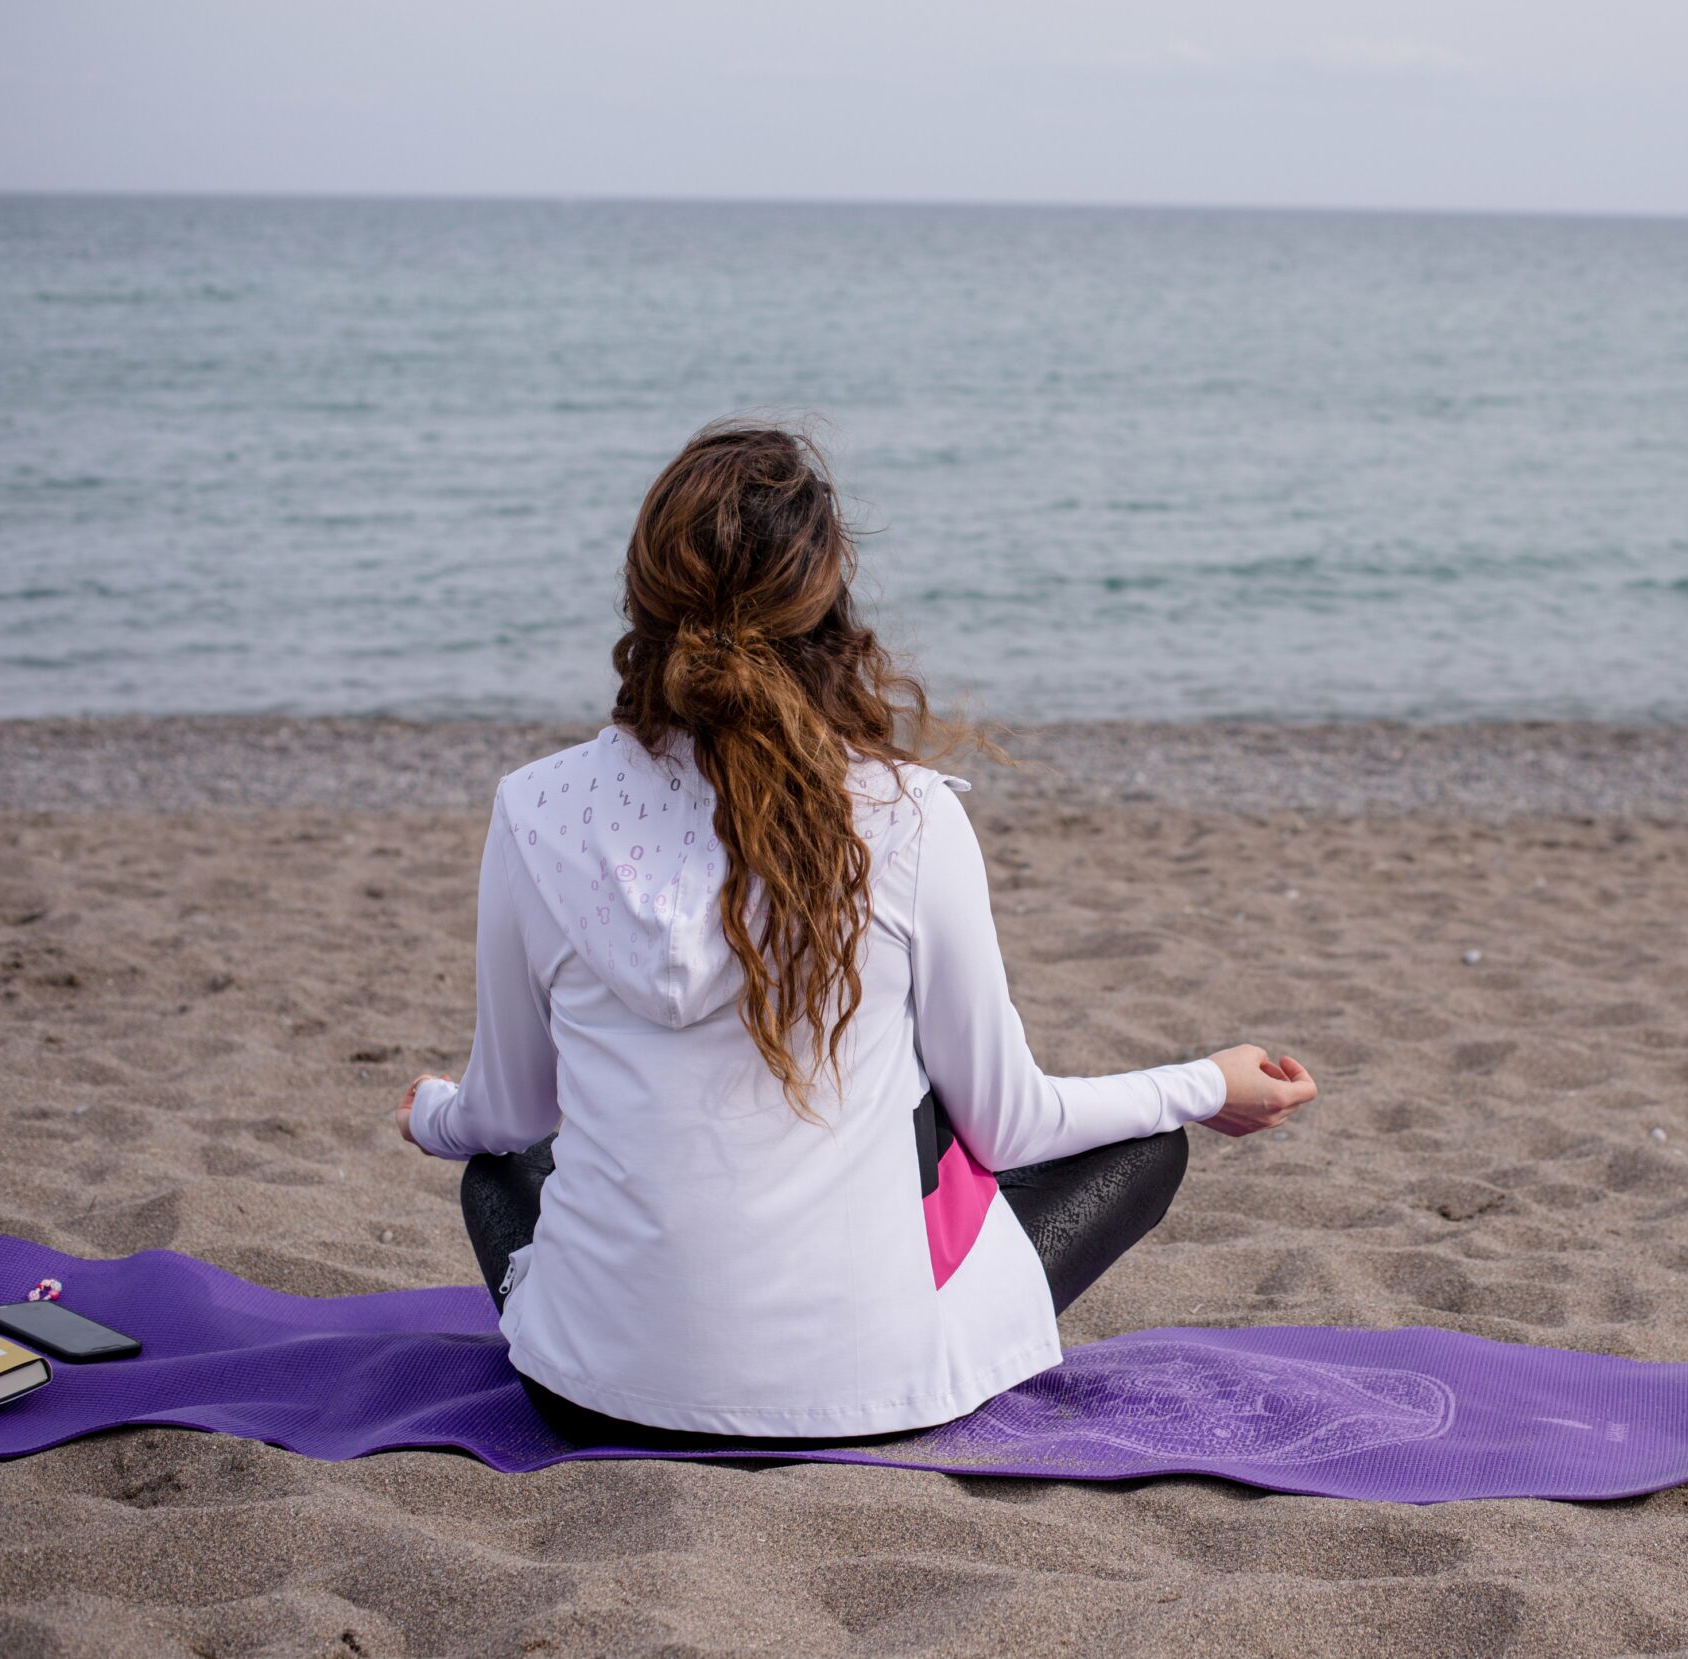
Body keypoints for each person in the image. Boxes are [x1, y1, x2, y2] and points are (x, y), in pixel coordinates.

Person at [390, 421, 1318, 1450]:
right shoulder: (910, 816)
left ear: (642, 597)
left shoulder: (537, 810)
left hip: (590, 1393)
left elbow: (513, 1111)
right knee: (1141, 1144)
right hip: (873, 1397)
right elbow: (1010, 1124)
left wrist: (434, 1115)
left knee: (492, 1168)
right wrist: (1208, 1084)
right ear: (828, 602)